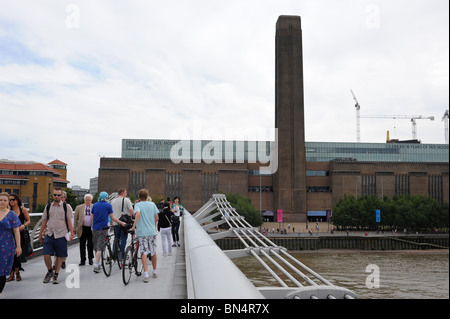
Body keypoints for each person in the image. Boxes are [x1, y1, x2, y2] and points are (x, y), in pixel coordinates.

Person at [39, 187, 74, 284]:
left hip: (61, 234)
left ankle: (56, 275)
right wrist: (40, 233)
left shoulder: (66, 207)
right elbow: (44, 220)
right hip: (49, 233)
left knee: (59, 256)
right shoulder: (48, 206)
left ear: (62, 196)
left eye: (59, 195)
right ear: (52, 195)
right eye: (55, 195)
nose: (57, 197)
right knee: (46, 254)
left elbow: (69, 221)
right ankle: (50, 271)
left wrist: (71, 233)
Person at [91, 191, 126, 273]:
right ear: (106, 197)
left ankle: (98, 262)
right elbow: (112, 217)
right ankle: (96, 264)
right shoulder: (108, 205)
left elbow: (92, 217)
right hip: (104, 228)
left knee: (96, 246)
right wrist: (120, 222)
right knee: (100, 247)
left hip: (95, 228)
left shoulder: (95, 205)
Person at [130, 189, 159, 282]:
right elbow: (157, 217)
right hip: (152, 232)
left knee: (144, 252)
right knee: (153, 252)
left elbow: (137, 214)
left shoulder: (138, 205)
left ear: (139, 196)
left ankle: (146, 274)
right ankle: (154, 271)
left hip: (142, 233)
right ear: (147, 196)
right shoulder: (152, 204)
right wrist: (153, 226)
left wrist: (134, 226)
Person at [0, 192, 22, 296]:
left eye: (4, 200)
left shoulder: (11, 214)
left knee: (2, 269)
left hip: (6, 245)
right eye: (0, 200)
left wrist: (18, 246)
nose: (2, 202)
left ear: (8, 202)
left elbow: (17, 231)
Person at [6, 193, 30, 282]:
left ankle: (16, 273)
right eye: (10, 200)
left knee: (17, 254)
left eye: (13, 200)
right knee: (10, 254)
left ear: (17, 200)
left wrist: (23, 226)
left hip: (20, 234)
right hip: (9, 234)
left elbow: (28, 220)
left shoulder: (22, 209)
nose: (11, 201)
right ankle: (12, 274)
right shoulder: (7, 210)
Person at [111, 188, 134, 260]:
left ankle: (115, 254)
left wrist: (112, 221)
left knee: (116, 238)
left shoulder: (113, 201)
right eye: (126, 192)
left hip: (116, 222)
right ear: (123, 193)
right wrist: (136, 217)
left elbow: (111, 212)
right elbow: (131, 210)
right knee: (123, 238)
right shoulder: (127, 200)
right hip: (124, 223)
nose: (126, 193)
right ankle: (122, 255)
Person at [74, 194, 94, 266]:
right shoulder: (79, 207)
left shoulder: (94, 207)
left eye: (89, 200)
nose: (88, 201)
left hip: (91, 228)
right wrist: (74, 228)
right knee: (82, 245)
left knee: (90, 244)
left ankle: (90, 258)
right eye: (86, 200)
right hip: (82, 228)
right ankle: (82, 260)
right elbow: (75, 218)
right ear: (84, 200)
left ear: (91, 200)